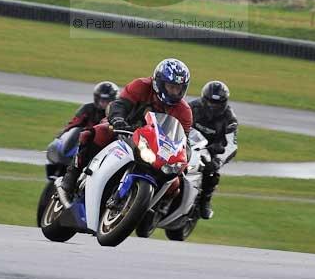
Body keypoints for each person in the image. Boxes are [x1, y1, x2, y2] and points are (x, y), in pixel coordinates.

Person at [55, 58, 192, 206]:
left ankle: (152, 211)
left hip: (154, 148)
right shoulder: (141, 86)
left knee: (175, 183)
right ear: (159, 82)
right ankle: (71, 177)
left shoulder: (184, 111)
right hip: (124, 131)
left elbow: (183, 141)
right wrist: (119, 120)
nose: (175, 92)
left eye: (178, 88)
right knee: (95, 133)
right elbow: (120, 104)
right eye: (171, 86)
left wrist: (183, 157)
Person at [190, 80, 238, 219]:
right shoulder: (192, 107)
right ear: (204, 99)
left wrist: (218, 161)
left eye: (217, 103)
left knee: (211, 172)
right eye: (210, 102)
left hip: (211, 150)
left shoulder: (230, 119)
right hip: (187, 143)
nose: (213, 106)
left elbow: (232, 145)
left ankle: (205, 201)